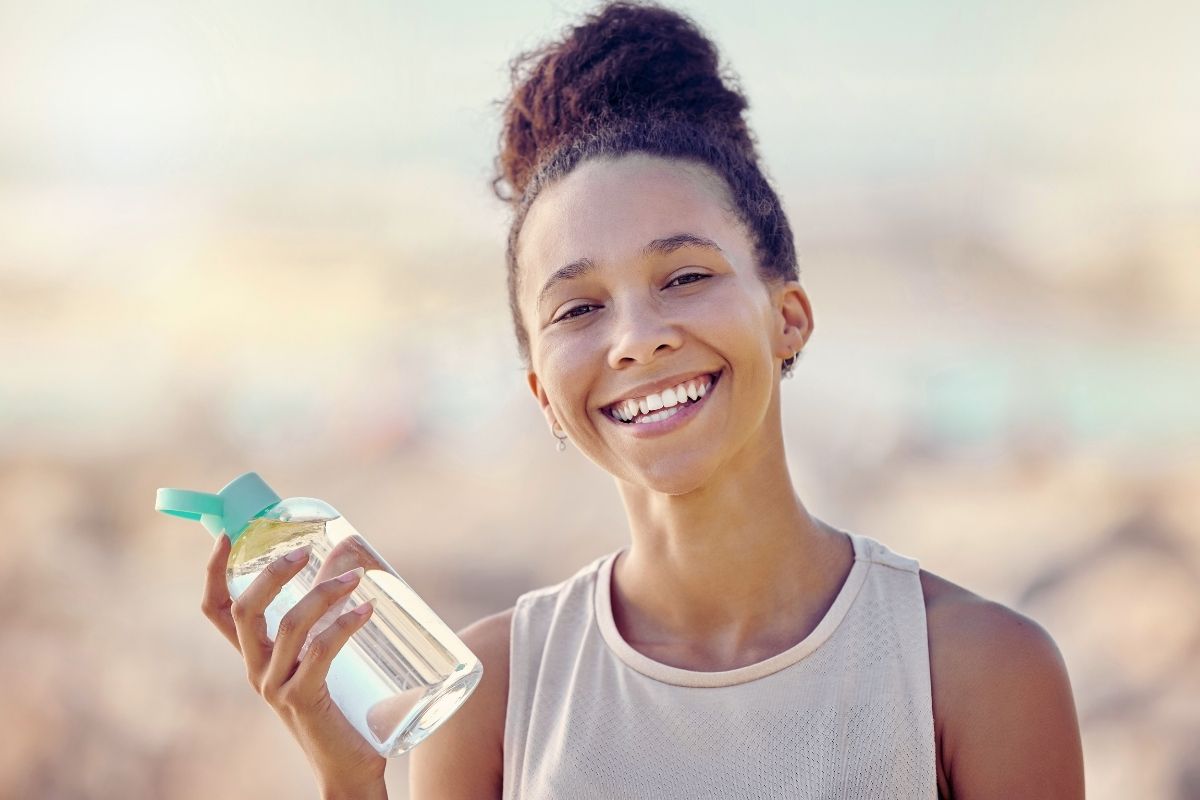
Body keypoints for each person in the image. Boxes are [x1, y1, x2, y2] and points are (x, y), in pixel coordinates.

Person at [201, 1, 1086, 798]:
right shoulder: (492, 691)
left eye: (686, 275)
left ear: (789, 317)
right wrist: (350, 779)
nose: (635, 338)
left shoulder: (974, 670)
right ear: (543, 394)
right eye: (579, 307)